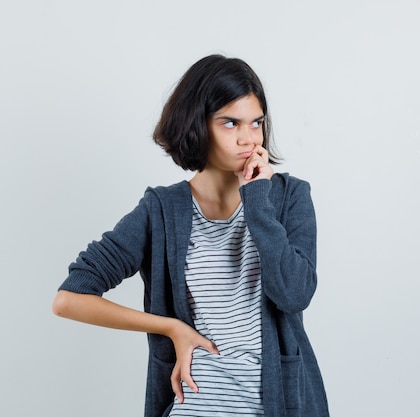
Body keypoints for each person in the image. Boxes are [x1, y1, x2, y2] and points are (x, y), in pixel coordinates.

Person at [52, 54, 330, 417]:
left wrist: (258, 201)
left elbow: (294, 294)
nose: (248, 138)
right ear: (198, 125)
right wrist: (171, 328)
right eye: (230, 123)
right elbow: (70, 298)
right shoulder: (162, 211)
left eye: (256, 123)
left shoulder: (289, 197)